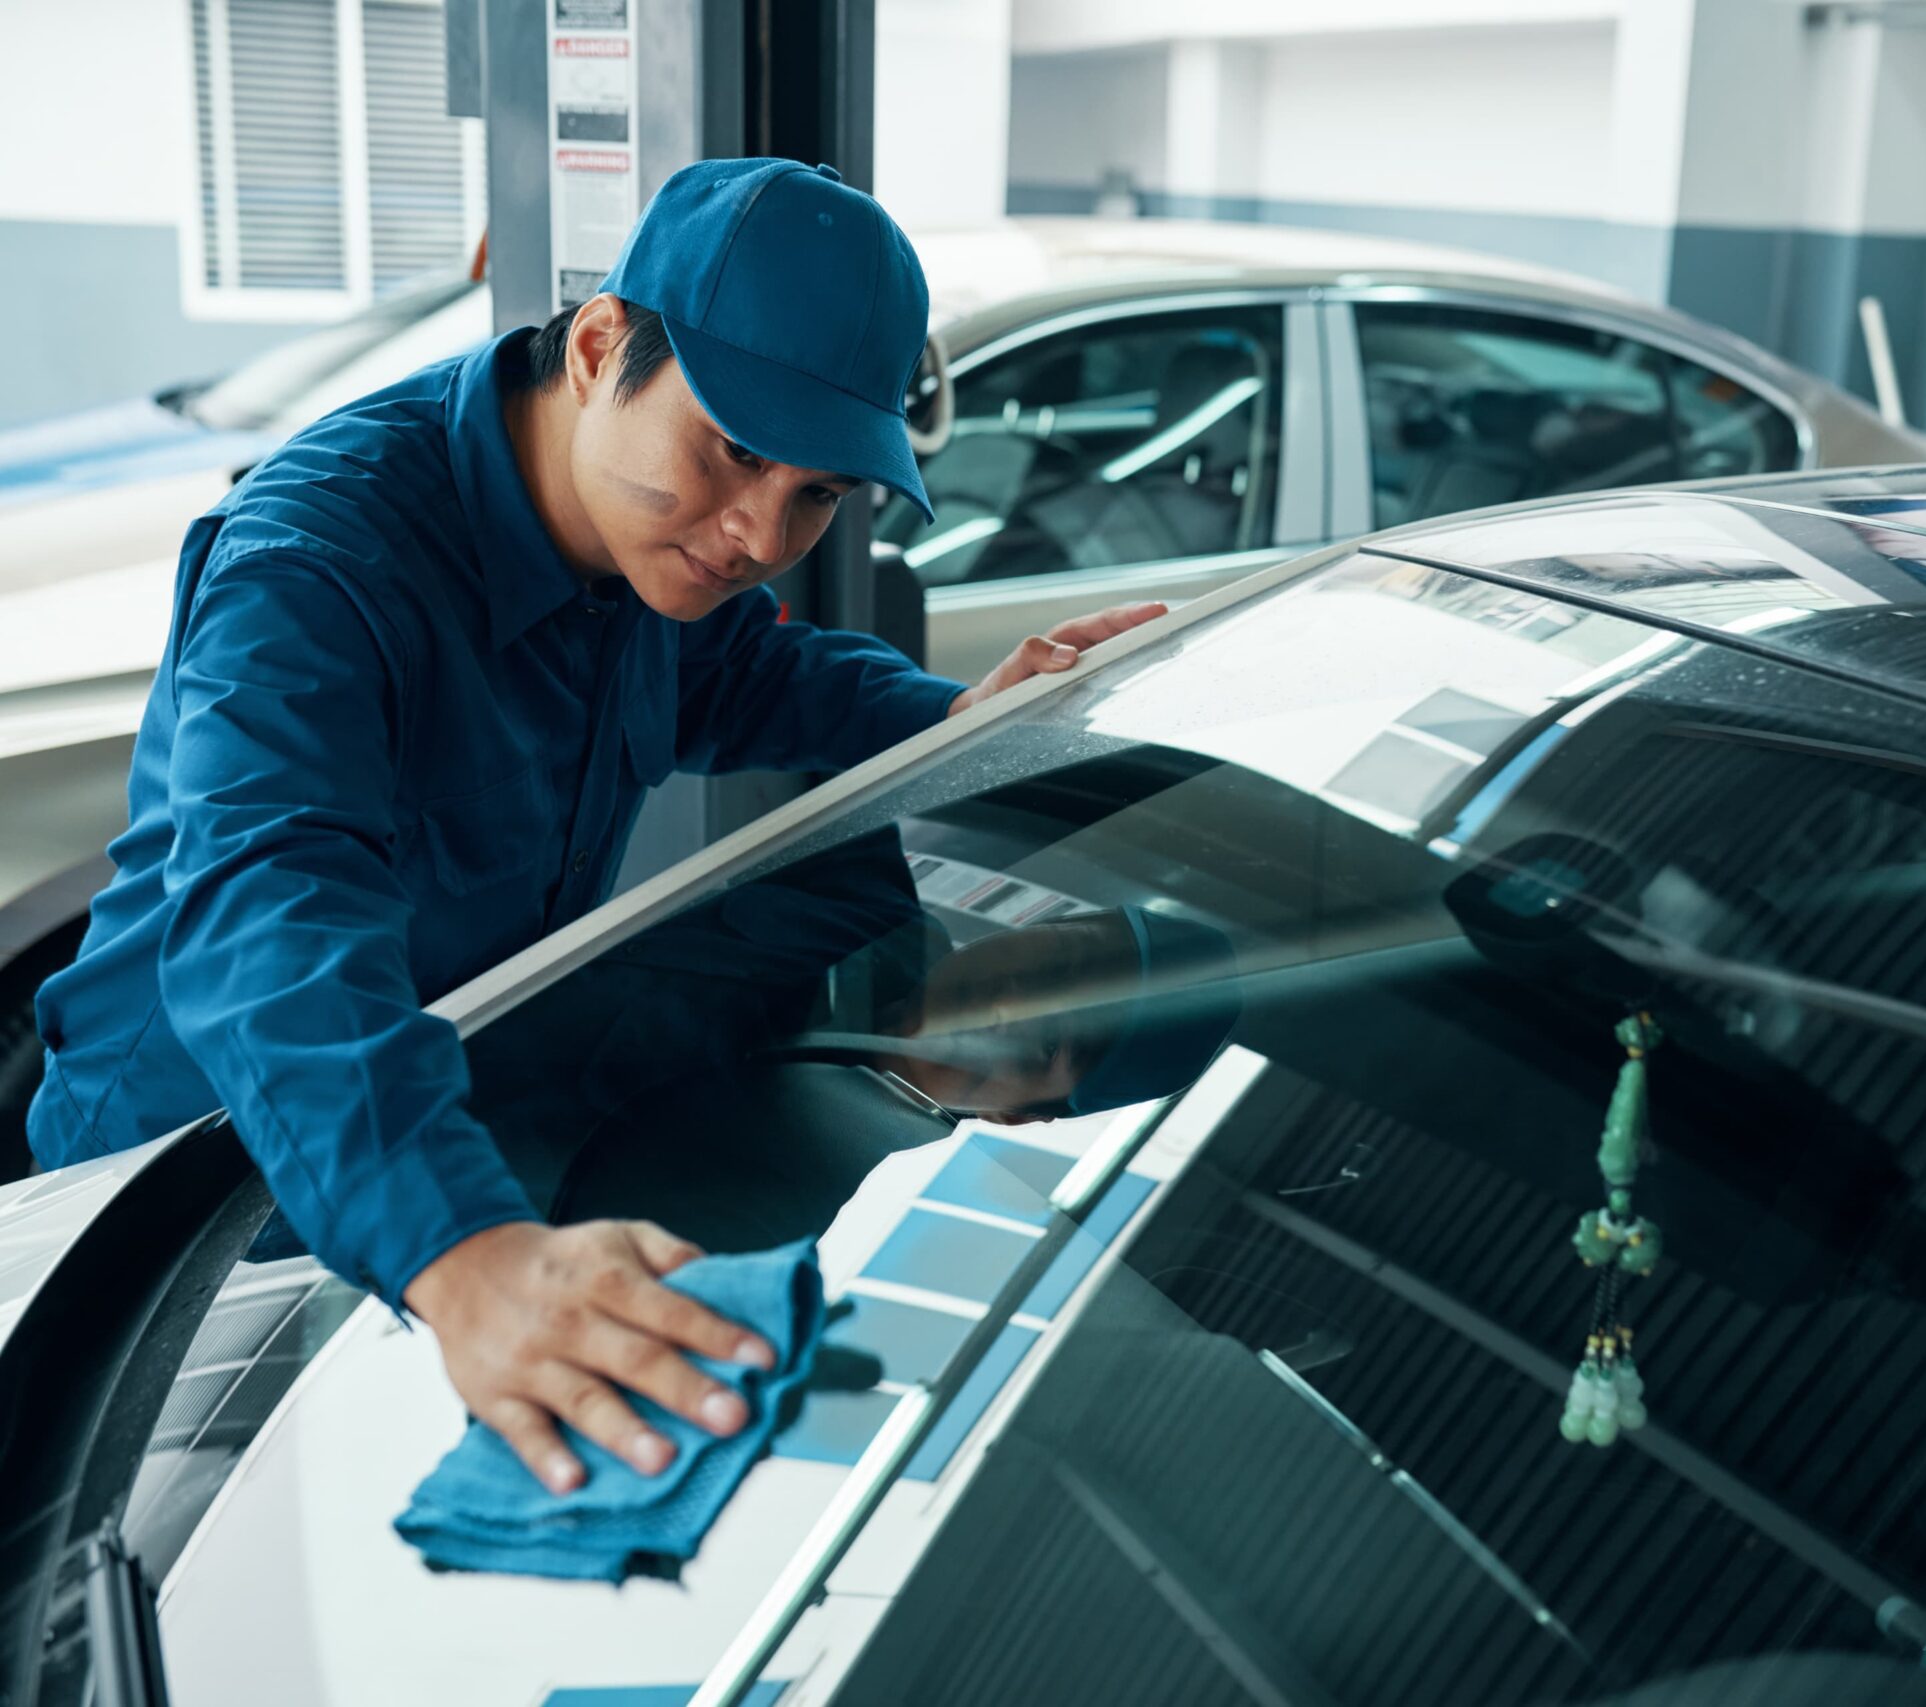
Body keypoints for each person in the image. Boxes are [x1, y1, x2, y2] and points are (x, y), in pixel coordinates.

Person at [22, 157, 1165, 1496]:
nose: (757, 531)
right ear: (602, 346)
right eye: (736, 450)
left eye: (814, 498)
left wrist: (963, 722)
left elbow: (743, 673)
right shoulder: (320, 566)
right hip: (180, 1179)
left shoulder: (637, 543)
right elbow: (270, 918)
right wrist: (461, 1254)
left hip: (420, 1122)